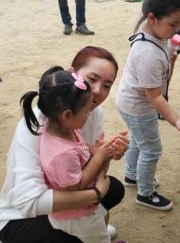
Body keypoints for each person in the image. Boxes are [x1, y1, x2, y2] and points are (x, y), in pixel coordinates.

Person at [0, 46, 128, 242]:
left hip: (68, 192)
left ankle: (89, 225)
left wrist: (107, 152)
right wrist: (96, 194)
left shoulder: (92, 113)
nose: (97, 91)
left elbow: (89, 164)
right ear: (71, 74)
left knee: (115, 189)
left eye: (107, 85)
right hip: (21, 214)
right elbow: (28, 202)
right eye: (92, 79)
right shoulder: (36, 124)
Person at [117, 0, 180, 211]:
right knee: (152, 149)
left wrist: (171, 57)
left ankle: (132, 175)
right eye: (174, 23)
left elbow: (163, 82)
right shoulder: (147, 53)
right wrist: (177, 121)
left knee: (139, 140)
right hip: (138, 107)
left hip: (132, 102)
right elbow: (155, 96)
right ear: (152, 19)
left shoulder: (156, 36)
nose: (178, 28)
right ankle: (145, 193)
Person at [20, 67, 116, 242]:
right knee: (98, 239)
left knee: (100, 223)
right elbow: (76, 185)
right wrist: (99, 157)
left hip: (78, 210)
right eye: (86, 110)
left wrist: (93, 148)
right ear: (67, 115)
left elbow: (79, 147)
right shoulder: (61, 153)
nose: (89, 114)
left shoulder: (64, 130)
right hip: (77, 215)